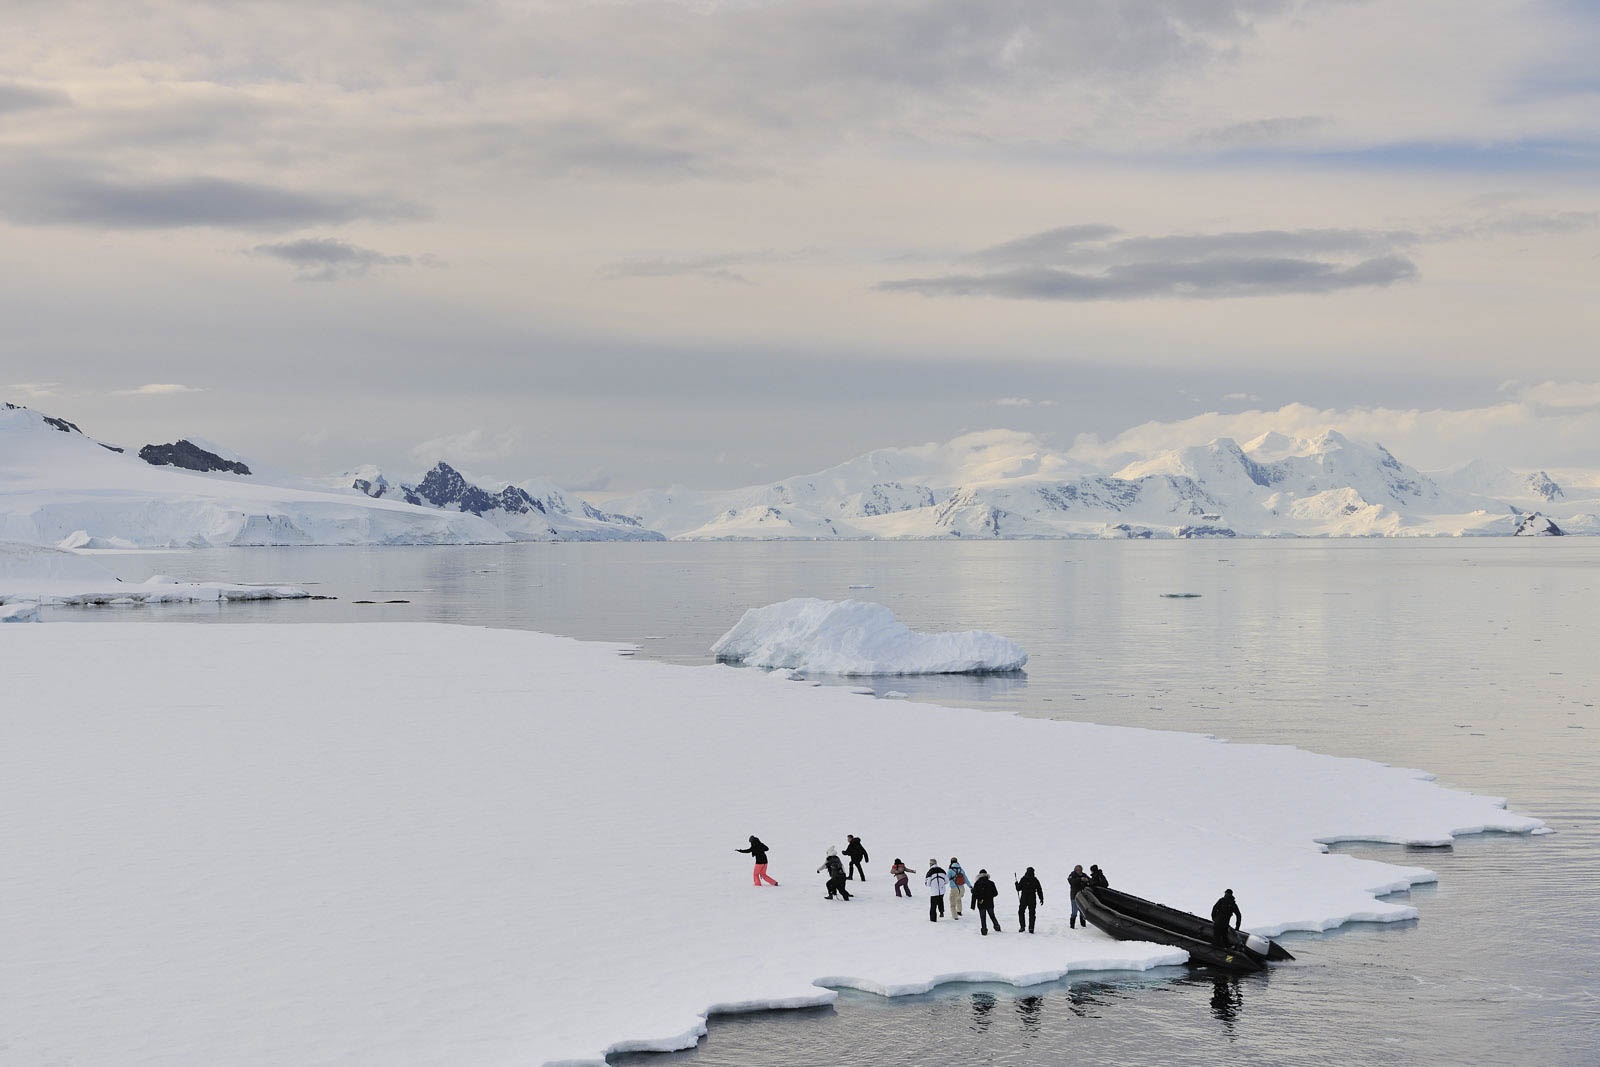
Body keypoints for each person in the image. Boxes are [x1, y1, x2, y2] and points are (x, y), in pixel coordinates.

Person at [971, 869, 1002, 935]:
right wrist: (989, 896)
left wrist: (973, 905)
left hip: (981, 903)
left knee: (983, 918)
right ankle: (997, 927)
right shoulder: (991, 883)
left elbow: (975, 895)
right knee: (992, 916)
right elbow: (995, 893)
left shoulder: (977, 883)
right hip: (990, 903)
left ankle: (984, 930)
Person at [1015, 867, 1044, 934]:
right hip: (1032, 899)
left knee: (1021, 912)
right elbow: (1039, 890)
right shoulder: (1035, 879)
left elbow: (1018, 889)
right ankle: (1031, 928)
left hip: (1024, 898)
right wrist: (1041, 898)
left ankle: (1022, 927)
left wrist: (1016, 884)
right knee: (1032, 913)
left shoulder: (1023, 879)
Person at [1067, 864, 1091, 929]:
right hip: (1074, 896)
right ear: (1075, 870)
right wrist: (1080, 879)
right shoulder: (1072, 875)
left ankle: (1083, 925)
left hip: (1083, 896)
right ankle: (1072, 926)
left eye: (1080, 870)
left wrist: (1087, 880)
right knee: (1074, 912)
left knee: (1082, 912)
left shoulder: (1084, 875)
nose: (1080, 871)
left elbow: (1089, 880)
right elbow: (1072, 882)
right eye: (1078, 870)